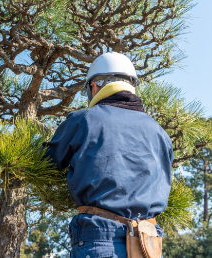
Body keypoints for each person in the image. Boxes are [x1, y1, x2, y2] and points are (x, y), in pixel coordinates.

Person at [43, 52, 173, 258]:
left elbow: (45, 163)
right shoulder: (159, 132)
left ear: (94, 86)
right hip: (148, 246)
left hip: (101, 240)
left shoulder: (83, 120)